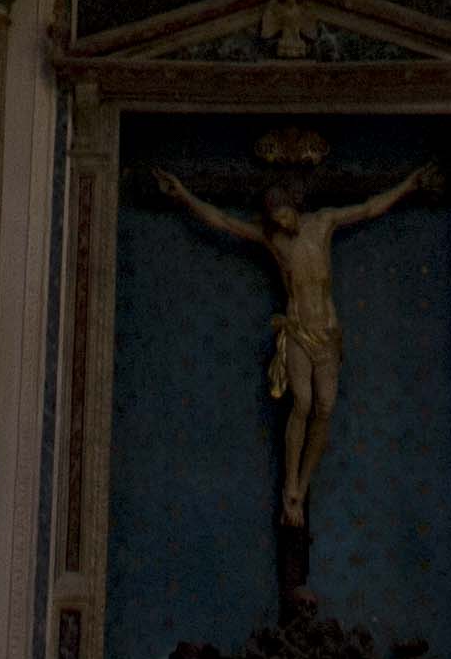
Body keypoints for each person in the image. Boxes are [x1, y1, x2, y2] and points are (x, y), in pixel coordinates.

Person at [156, 133, 431, 529]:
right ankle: (290, 486)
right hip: (299, 331)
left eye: (283, 214)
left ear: (293, 206)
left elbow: (369, 208)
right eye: (275, 219)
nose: (282, 223)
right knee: (301, 402)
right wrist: (184, 195)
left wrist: (408, 185)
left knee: (325, 407)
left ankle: (302, 484)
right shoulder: (272, 240)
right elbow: (224, 221)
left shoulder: (323, 224)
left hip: (328, 334)